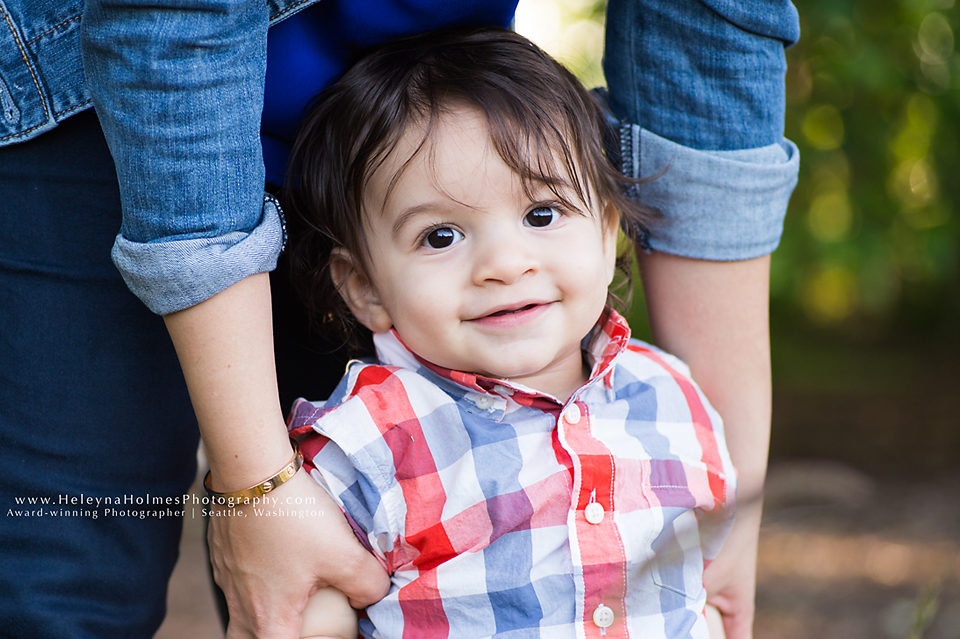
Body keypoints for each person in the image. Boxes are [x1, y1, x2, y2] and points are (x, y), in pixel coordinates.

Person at [279, 27, 736, 639]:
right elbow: (311, 607)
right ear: (364, 287)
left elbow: (700, 588)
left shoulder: (673, 399)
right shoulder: (368, 441)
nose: (504, 262)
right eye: (440, 236)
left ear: (606, 236)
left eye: (541, 215)